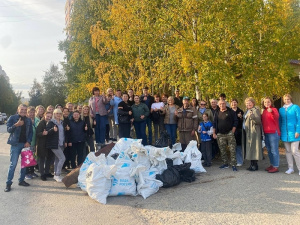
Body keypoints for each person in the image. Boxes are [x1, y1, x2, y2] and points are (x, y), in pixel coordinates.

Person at [5, 104, 33, 192]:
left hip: (25, 145)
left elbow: (31, 133)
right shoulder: (12, 118)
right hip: (15, 144)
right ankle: (8, 183)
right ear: (18, 109)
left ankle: (21, 180)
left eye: (25, 109)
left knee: (24, 164)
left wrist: (28, 141)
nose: (23, 111)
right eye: (22, 109)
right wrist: (16, 125)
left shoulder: (28, 120)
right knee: (13, 164)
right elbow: (9, 130)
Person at [213, 100, 238, 171]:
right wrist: (214, 133)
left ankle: (233, 165)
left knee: (232, 149)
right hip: (220, 134)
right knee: (222, 149)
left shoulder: (231, 112)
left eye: (223, 104)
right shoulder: (216, 112)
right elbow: (214, 123)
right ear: (218, 105)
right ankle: (225, 163)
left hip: (229, 133)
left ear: (226, 104)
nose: (222, 105)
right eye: (220, 104)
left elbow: (236, 121)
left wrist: (233, 131)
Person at [279, 94, 300, 175]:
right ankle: (290, 168)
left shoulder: (295, 107)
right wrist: (280, 131)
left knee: (295, 151)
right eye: (285, 99)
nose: (287, 100)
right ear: (283, 100)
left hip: (294, 132)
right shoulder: (281, 109)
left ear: (291, 99)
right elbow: (280, 121)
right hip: (285, 133)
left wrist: (298, 131)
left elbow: (299, 119)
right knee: (288, 151)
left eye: (288, 99)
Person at [242, 97, 263, 171]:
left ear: (253, 103)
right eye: (247, 103)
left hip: (253, 132)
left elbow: (258, 121)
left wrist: (252, 117)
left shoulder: (255, 110)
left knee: (254, 148)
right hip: (248, 132)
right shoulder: (246, 111)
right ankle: (251, 165)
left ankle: (255, 165)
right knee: (250, 148)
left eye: (249, 103)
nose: (248, 104)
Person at [46, 108, 66, 182]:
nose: (58, 115)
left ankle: (56, 174)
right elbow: (47, 132)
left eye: (60, 113)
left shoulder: (62, 122)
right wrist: (52, 130)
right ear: (54, 114)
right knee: (62, 158)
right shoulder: (51, 122)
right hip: (54, 144)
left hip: (61, 143)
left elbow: (63, 133)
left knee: (57, 159)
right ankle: (57, 174)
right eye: (57, 113)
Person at [261, 97, 281, 173]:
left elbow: (276, 117)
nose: (267, 103)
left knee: (274, 150)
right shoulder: (264, 111)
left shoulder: (274, 109)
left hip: (273, 133)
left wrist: (272, 111)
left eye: (268, 102)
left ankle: (276, 166)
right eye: (265, 102)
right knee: (269, 150)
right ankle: (272, 164)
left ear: (271, 102)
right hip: (266, 133)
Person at [36, 111, 54, 181]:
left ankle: (47, 172)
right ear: (44, 115)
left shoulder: (51, 123)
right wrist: (43, 133)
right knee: (42, 159)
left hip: (49, 143)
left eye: (50, 117)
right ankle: (42, 174)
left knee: (49, 158)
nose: (49, 118)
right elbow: (37, 133)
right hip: (42, 144)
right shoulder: (41, 123)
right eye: (47, 116)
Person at [25, 106, 40, 179]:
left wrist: (34, 124)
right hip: (28, 142)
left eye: (33, 112)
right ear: (27, 113)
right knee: (28, 158)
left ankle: (32, 171)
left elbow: (39, 128)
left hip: (35, 142)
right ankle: (27, 173)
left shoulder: (37, 120)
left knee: (33, 158)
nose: (32, 114)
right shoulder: (26, 120)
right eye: (30, 112)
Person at [230, 99, 244, 167]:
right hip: (231, 131)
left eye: (235, 102)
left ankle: (239, 161)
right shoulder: (229, 111)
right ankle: (233, 160)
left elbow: (244, 121)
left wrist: (241, 117)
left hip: (239, 131)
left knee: (238, 146)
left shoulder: (240, 111)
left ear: (237, 103)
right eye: (232, 103)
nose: (234, 104)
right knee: (232, 146)